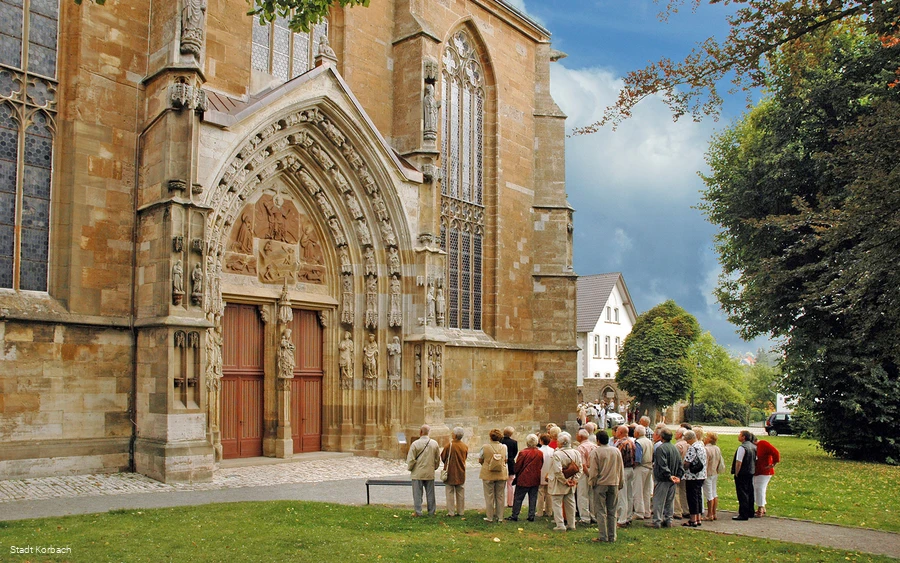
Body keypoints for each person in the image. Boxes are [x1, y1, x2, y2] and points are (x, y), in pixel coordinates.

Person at [588, 430, 624, 542]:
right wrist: (621, 482)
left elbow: (593, 471)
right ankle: (612, 536)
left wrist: (592, 482)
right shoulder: (616, 451)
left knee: (600, 511)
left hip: (601, 484)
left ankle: (603, 536)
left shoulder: (596, 452)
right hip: (614, 482)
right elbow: (620, 468)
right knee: (612, 510)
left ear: (598, 440)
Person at [547, 431, 582, 531]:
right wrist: (575, 480)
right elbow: (579, 468)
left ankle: (560, 525)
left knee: (557, 503)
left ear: (560, 443)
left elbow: (557, 471)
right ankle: (571, 524)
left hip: (559, 482)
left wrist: (564, 481)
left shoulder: (557, 454)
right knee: (570, 503)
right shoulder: (576, 452)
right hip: (571, 481)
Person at [651, 428, 683, 528]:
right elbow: (679, 463)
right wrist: (678, 476)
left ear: (661, 437)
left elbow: (662, 464)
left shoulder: (661, 448)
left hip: (664, 478)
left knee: (659, 501)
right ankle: (668, 520)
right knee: (670, 501)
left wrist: (669, 475)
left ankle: (657, 521)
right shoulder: (675, 448)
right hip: (673, 478)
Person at [406, 424, 441, 517]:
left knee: (417, 494)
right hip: (429, 472)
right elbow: (437, 459)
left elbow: (411, 459)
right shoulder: (434, 443)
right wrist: (434, 467)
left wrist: (410, 468)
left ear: (420, 432)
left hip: (418, 472)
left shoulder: (415, 444)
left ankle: (418, 511)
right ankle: (431, 511)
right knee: (430, 493)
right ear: (428, 433)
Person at [509, 433, 543, 522]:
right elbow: (541, 464)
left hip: (523, 478)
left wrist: (516, 471)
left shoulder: (523, 453)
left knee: (518, 497)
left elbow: (518, 465)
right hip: (535, 477)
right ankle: (531, 515)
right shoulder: (539, 453)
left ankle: (515, 515)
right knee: (533, 497)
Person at [479, 428, 509, 522]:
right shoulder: (504, 447)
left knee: (489, 496)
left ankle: (490, 516)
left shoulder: (485, 447)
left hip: (488, 473)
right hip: (501, 473)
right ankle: (500, 516)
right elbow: (506, 459)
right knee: (500, 495)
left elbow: (480, 459)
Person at [440, 426, 468, 517]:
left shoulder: (449, 445)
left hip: (451, 471)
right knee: (460, 492)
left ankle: (451, 512)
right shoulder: (464, 446)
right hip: (461, 471)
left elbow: (443, 457)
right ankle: (461, 511)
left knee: (450, 492)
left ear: (455, 435)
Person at [681, 429, 707, 527]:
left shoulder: (693, 448)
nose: (686, 442)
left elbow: (687, 462)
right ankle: (698, 518)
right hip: (701, 474)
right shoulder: (701, 446)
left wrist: (681, 468)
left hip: (692, 476)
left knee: (692, 498)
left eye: (687, 440)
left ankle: (692, 519)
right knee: (698, 496)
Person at [613, 425, 636, 528]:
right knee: (629, 494)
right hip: (631, 469)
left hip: (623, 470)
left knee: (622, 495)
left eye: (617, 430)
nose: (616, 432)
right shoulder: (632, 442)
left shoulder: (621, 443)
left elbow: (617, 458)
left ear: (621, 432)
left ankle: (622, 520)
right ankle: (628, 516)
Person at [731, 430, 757, 520]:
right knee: (750, 492)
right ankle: (750, 511)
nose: (738, 436)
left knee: (742, 493)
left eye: (740, 435)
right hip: (750, 471)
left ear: (743, 437)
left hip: (742, 473)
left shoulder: (742, 448)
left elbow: (739, 462)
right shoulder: (753, 447)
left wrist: (737, 473)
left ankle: (743, 513)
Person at [753, 436, 781, 517]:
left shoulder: (763, 444)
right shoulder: (754, 446)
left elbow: (775, 452)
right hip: (757, 471)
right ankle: (762, 506)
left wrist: (773, 464)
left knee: (760, 488)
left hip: (765, 471)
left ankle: (760, 507)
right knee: (756, 488)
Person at [575, 428, 598, 524]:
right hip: (594, 470)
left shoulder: (581, 448)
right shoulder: (595, 446)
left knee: (582, 494)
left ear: (580, 437)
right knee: (592, 494)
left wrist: (588, 475)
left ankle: (585, 517)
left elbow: (582, 464)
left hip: (585, 472)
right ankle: (593, 515)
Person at [702, 431, 726, 521]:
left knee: (709, 495)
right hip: (715, 472)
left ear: (709, 439)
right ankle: (714, 513)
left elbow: (705, 462)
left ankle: (709, 514)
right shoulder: (717, 448)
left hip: (708, 473)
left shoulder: (706, 449)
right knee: (714, 492)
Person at [633, 424, 654, 520]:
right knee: (646, 490)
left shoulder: (638, 442)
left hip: (641, 467)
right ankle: (647, 511)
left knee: (638, 490)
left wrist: (634, 466)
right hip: (649, 466)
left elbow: (638, 458)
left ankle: (639, 512)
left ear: (637, 433)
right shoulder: (649, 441)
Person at [673, 427, 690, 519]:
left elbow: (676, 460)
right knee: (684, 491)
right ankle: (686, 509)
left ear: (680, 435)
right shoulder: (688, 444)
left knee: (676, 491)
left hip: (678, 471)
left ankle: (677, 511)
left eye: (676, 432)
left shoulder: (678, 446)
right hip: (687, 471)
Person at [536, 433, 554, 518]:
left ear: (541, 441)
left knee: (540, 492)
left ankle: (539, 511)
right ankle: (549, 511)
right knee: (549, 493)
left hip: (541, 472)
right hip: (549, 473)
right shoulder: (552, 451)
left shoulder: (539, 451)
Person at [502, 426, 519, 508]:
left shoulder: (500, 441)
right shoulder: (514, 442)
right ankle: (510, 503)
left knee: (500, 485)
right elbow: (515, 452)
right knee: (510, 485)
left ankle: (500, 502)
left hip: (501, 463)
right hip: (511, 464)